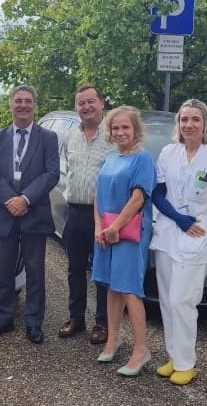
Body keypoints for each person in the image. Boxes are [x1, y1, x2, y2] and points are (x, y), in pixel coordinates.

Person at [150, 99, 207, 385]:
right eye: (184, 119)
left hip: (195, 239)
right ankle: (174, 357)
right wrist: (179, 219)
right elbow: (158, 193)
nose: (189, 124)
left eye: (195, 119)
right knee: (166, 300)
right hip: (167, 234)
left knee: (182, 301)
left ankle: (187, 363)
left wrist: (206, 227)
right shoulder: (169, 152)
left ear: (205, 123)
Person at [0, 85, 59, 344]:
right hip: (4, 213)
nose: (23, 105)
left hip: (34, 213)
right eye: (18, 101)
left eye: (28, 101)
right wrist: (10, 200)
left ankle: (34, 323)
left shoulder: (48, 138)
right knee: (4, 270)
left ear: (35, 106)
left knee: (35, 272)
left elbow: (51, 173)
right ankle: (3, 318)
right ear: (10, 105)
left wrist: (25, 199)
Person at [92, 105, 155, 376]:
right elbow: (98, 196)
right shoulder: (110, 158)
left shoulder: (143, 159)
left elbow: (138, 198)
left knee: (129, 288)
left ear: (135, 129)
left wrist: (115, 227)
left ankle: (141, 350)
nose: (120, 132)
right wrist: (99, 227)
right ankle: (113, 339)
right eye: (115, 127)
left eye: (125, 127)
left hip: (129, 231)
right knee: (111, 285)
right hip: (107, 230)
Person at [57, 85, 115, 343]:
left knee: (101, 272)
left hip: (103, 214)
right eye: (81, 103)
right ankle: (76, 318)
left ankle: (102, 323)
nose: (86, 107)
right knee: (75, 268)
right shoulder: (70, 136)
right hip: (75, 212)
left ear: (102, 103)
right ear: (76, 107)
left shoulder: (113, 135)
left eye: (91, 101)